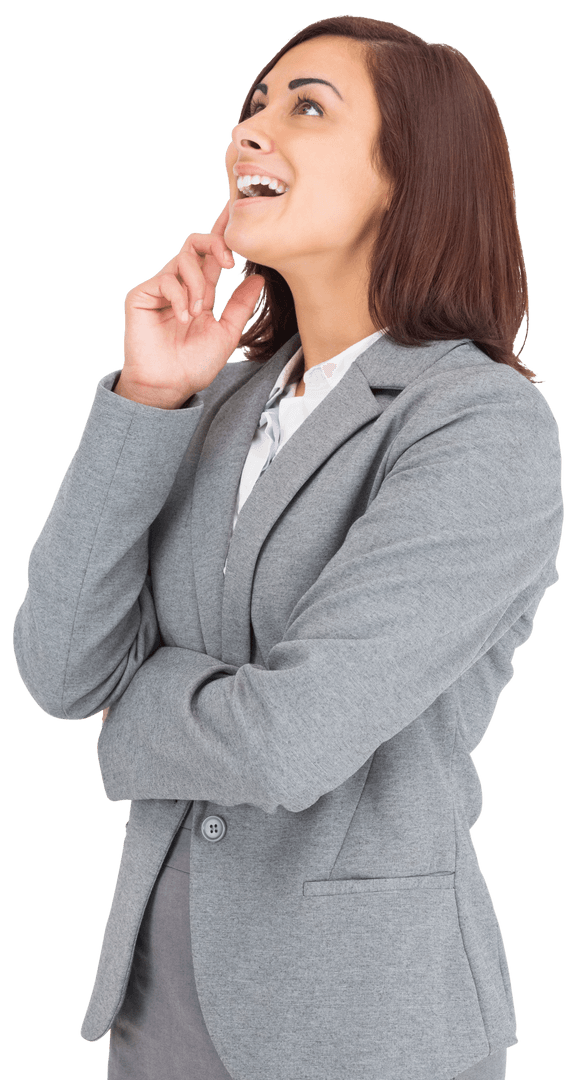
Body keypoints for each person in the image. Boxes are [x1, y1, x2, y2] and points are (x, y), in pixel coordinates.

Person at [12, 15, 563, 1080]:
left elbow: (292, 740)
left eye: (305, 106)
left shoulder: (478, 422)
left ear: (411, 176)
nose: (249, 131)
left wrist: (136, 720)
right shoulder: (214, 400)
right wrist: (147, 397)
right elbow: (59, 667)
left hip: (359, 1024)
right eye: (253, 105)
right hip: (154, 1008)